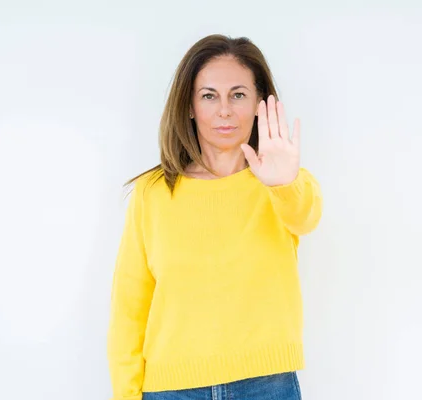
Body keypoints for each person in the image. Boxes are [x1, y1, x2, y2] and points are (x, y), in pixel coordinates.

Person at [106, 34, 323, 400]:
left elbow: (306, 218)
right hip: (172, 390)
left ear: (259, 103)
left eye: (238, 95)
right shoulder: (153, 192)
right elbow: (129, 309)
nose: (224, 110)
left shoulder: (283, 183)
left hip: (268, 384)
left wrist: (283, 182)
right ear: (189, 106)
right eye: (209, 95)